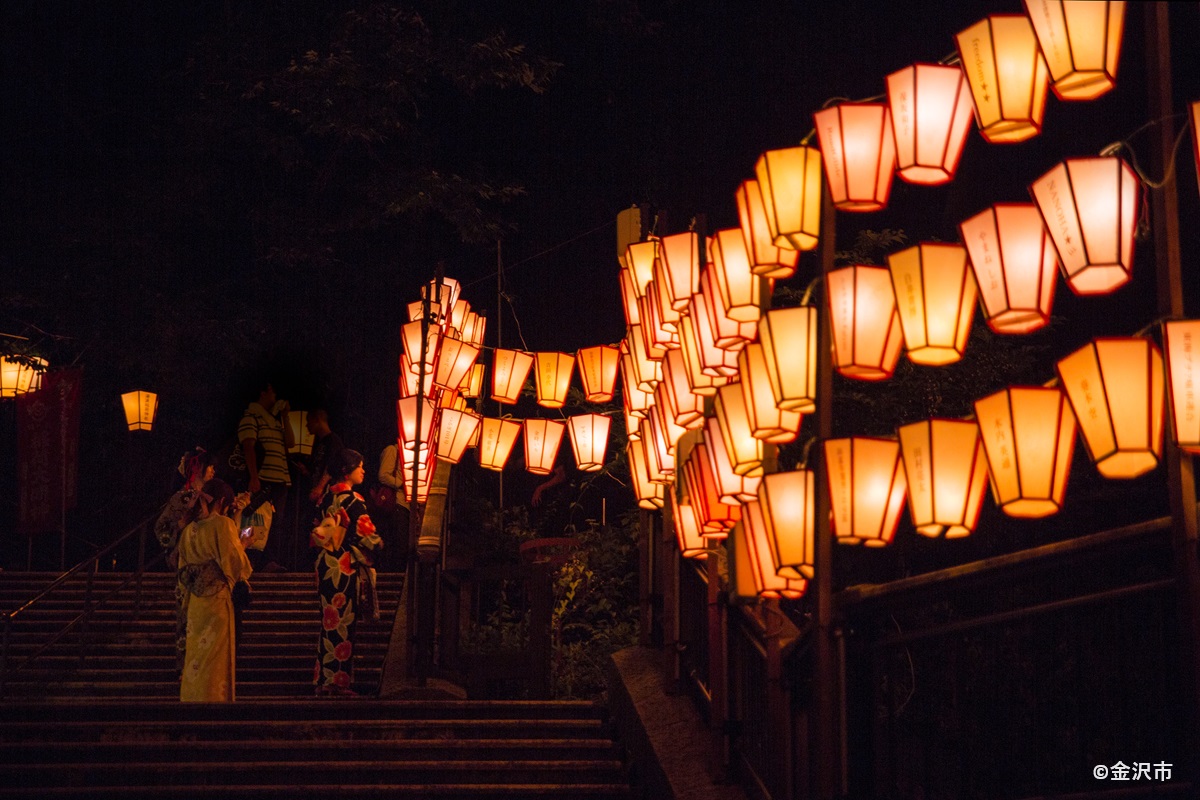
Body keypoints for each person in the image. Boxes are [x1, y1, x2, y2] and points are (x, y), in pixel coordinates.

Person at [311, 449, 383, 697]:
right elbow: (367, 534)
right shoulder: (353, 500)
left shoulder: (326, 499)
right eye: (359, 466)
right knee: (342, 622)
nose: (363, 470)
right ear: (347, 470)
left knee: (328, 621)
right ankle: (338, 683)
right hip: (343, 564)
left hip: (325, 563)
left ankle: (323, 679)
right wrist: (380, 544)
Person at [176, 478, 253, 702]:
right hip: (217, 598)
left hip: (195, 600)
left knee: (196, 655)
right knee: (215, 656)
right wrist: (244, 546)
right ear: (221, 502)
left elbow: (182, 568)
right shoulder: (222, 525)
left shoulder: (189, 529)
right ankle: (212, 699)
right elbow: (234, 561)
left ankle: (191, 697)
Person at [237, 380, 294, 571]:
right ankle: (246, 555)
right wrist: (254, 476)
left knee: (275, 522)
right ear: (262, 393)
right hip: (263, 477)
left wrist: (284, 416)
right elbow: (248, 446)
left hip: (280, 479)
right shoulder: (251, 416)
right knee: (251, 518)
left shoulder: (274, 420)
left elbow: (290, 443)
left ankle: (270, 560)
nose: (275, 397)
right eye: (272, 393)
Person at [375, 441, 412, 571]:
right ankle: (392, 570)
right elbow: (383, 475)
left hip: (405, 503)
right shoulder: (393, 450)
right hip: (397, 501)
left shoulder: (409, 455)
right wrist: (402, 484)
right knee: (397, 540)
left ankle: (395, 570)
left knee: (400, 541)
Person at [304, 410, 345, 503]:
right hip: (316, 491)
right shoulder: (319, 442)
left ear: (317, 420)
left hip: (325, 493)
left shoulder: (333, 441)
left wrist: (320, 487)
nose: (307, 425)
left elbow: (331, 466)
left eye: (309, 421)